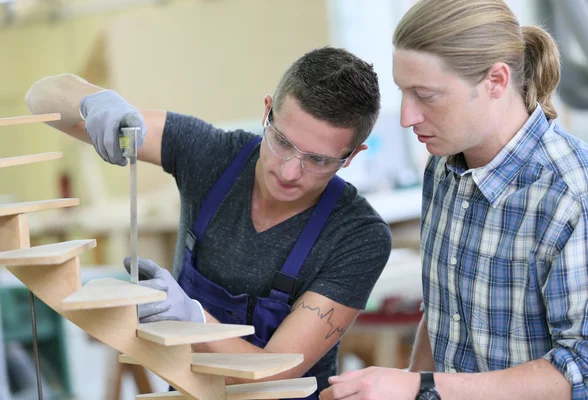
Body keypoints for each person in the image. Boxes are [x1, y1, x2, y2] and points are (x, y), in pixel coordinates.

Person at [25, 47, 392, 397]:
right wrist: (95, 100)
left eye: (318, 160)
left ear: (351, 156)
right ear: (267, 111)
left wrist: (194, 319)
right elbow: (40, 98)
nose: (290, 170)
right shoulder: (211, 155)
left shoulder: (358, 236)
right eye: (282, 140)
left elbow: (276, 372)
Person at [320, 0, 588, 399]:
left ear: (496, 81)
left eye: (426, 95)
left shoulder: (577, 192)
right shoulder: (444, 167)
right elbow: (444, 319)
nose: (406, 116)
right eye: (403, 92)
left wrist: (418, 385)